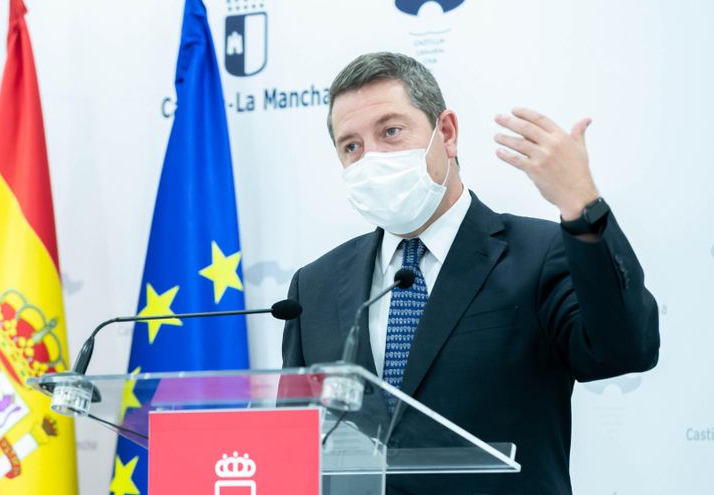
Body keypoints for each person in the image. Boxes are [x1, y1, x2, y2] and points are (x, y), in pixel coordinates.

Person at [281, 52, 660, 494]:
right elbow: (295, 443)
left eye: (391, 131)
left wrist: (582, 207)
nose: (371, 158)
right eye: (352, 146)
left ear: (446, 133)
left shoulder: (540, 254)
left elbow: (626, 349)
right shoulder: (314, 287)